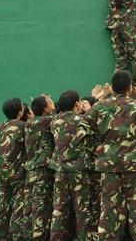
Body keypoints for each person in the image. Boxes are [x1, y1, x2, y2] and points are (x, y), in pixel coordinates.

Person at [73, 70, 136, 240]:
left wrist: (97, 149)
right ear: (130, 87)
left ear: (111, 87)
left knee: (109, 211)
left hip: (108, 166)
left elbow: (81, 132)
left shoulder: (99, 107)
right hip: (134, 167)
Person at [48, 90, 92, 241]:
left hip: (60, 170)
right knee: (82, 211)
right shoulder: (83, 120)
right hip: (79, 171)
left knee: (59, 210)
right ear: (76, 104)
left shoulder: (54, 121)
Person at [0, 98, 27, 241]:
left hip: (3, 172)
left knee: (2, 208)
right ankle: (16, 237)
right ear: (20, 112)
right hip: (18, 174)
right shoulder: (23, 126)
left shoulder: (1, 126)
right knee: (19, 208)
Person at [25, 95, 55, 241]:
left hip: (33, 169)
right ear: (45, 109)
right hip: (43, 170)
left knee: (35, 206)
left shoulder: (30, 123)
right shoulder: (46, 121)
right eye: (49, 102)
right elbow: (63, 119)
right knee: (41, 207)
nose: (52, 103)